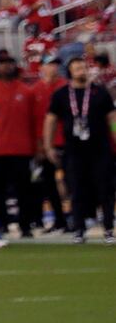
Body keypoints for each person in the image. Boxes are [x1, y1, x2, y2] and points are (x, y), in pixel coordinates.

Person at [48, 54, 113, 243]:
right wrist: (49, 145)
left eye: (84, 67)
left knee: (105, 189)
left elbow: (112, 119)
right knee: (77, 189)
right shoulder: (61, 95)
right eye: (77, 68)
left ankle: (108, 228)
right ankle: (79, 229)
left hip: (99, 148)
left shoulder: (100, 92)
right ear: (69, 72)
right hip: (74, 149)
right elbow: (50, 120)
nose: (81, 71)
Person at [0, 55, 44, 241]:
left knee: (24, 190)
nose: (7, 67)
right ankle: (1, 223)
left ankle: (25, 225)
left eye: (10, 63)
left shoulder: (26, 92)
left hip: (22, 149)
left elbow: (35, 121)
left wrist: (39, 146)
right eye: (3, 63)